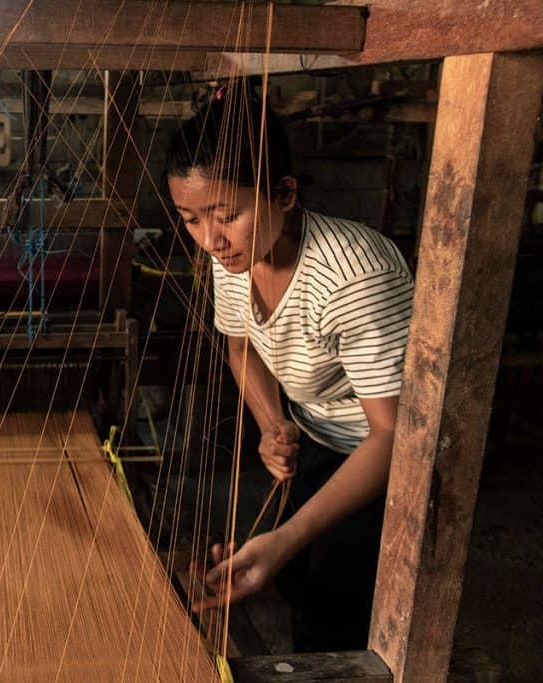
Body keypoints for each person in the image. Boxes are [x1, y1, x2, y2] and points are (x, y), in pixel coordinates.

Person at [167, 94, 414, 652]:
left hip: (388, 451)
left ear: (284, 192)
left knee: (334, 600)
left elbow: (396, 435)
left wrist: (286, 537)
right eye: (191, 219)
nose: (210, 239)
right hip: (321, 431)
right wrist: (273, 422)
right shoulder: (230, 258)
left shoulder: (353, 276)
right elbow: (241, 347)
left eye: (228, 215)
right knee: (298, 577)